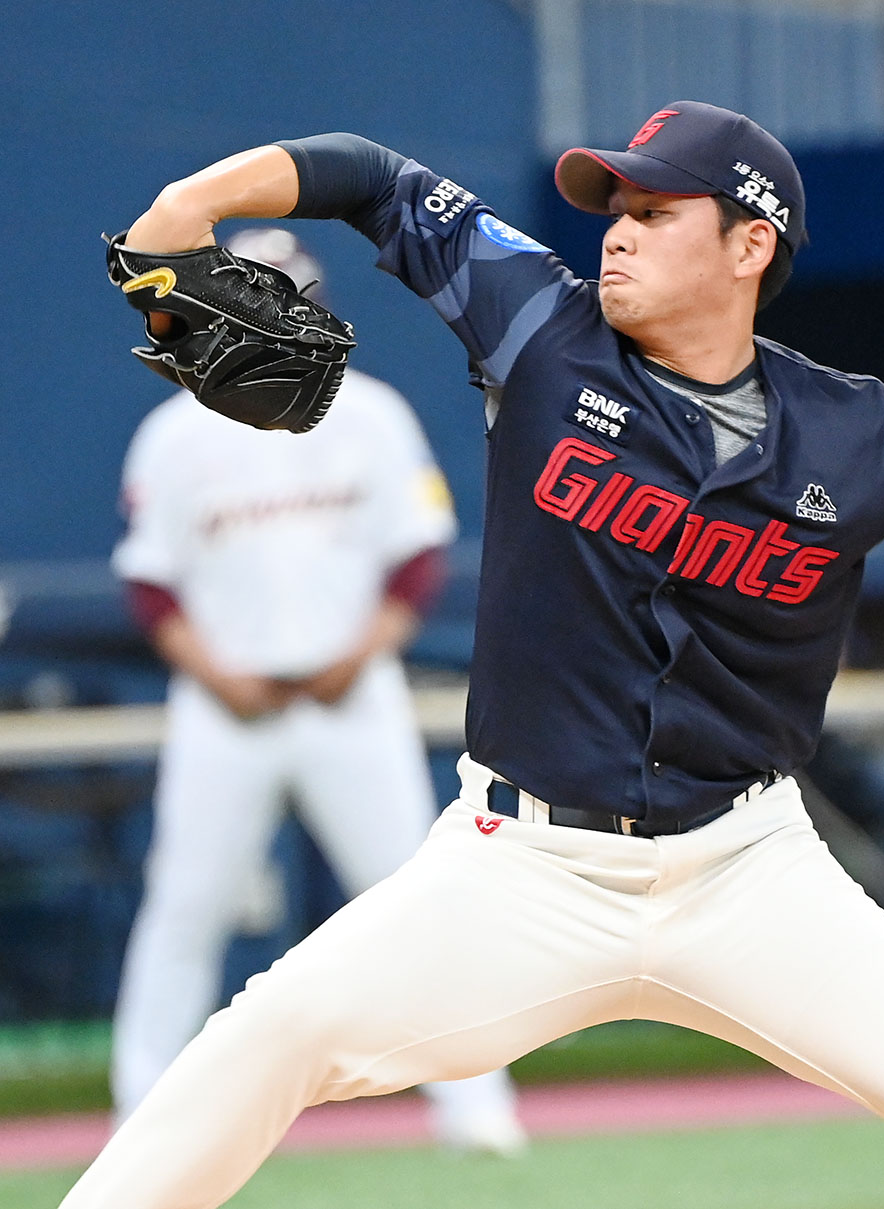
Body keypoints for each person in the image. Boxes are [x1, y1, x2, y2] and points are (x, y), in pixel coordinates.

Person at [66, 101, 884, 1208]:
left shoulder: (861, 432)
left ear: (751, 244)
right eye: (615, 205)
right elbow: (370, 174)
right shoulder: (539, 325)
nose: (616, 227)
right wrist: (187, 199)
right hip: (520, 869)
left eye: (657, 211)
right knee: (271, 1035)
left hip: (746, 872)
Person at [107, 227, 524, 1157]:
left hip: (351, 693)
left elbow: (417, 556)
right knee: (186, 903)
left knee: (415, 899)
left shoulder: (368, 413)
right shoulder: (173, 432)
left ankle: (478, 1114)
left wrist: (362, 649)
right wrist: (218, 673)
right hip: (226, 705)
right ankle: (138, 1113)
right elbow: (150, 581)